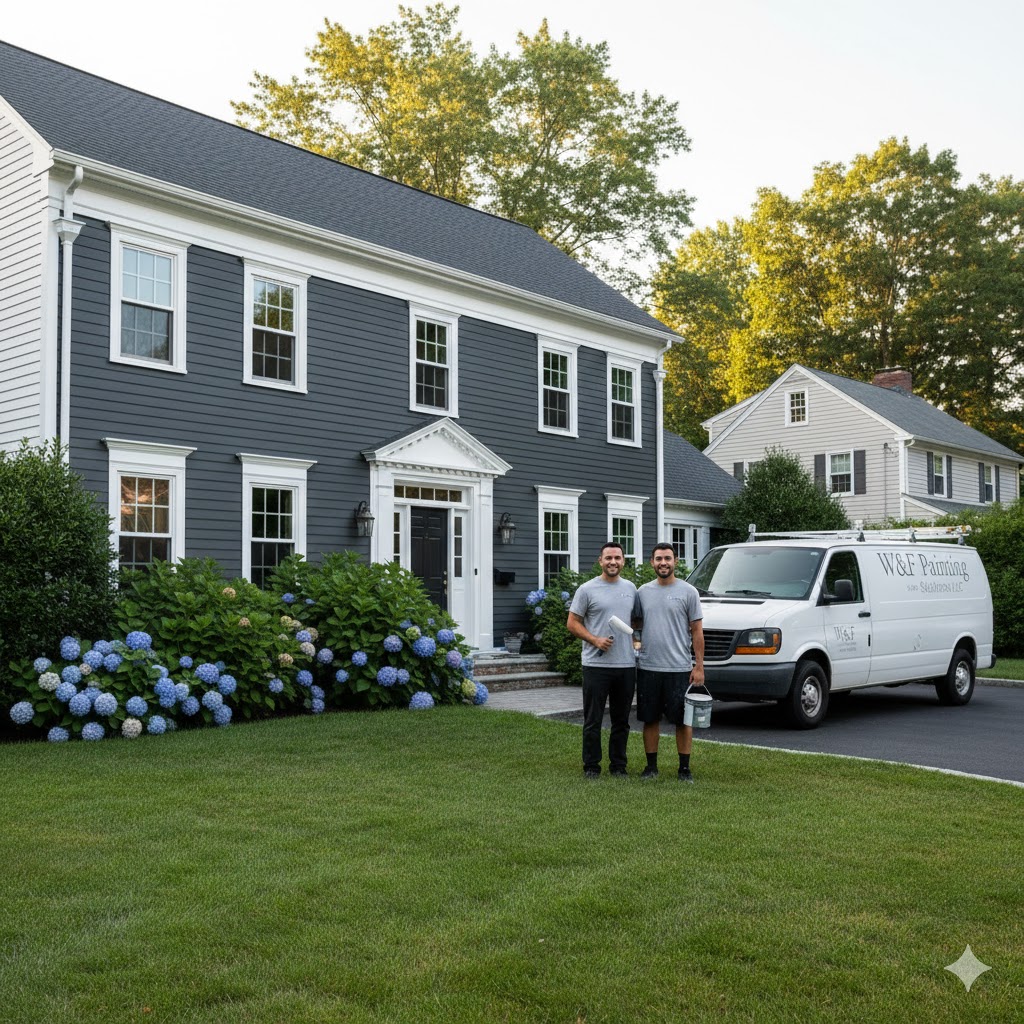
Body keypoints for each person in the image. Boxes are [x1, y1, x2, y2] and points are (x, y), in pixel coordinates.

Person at [567, 543, 640, 778]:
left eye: (617, 558)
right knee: (593, 719)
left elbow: (636, 623)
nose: (613, 562)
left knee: (621, 720)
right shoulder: (587, 589)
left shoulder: (631, 589)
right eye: (608, 557)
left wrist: (636, 641)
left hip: (625, 665)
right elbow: (572, 623)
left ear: (623, 561)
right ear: (600, 561)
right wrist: (595, 640)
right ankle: (591, 766)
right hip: (595, 666)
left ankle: (618, 766)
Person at [635, 543, 705, 783]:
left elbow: (697, 631)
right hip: (648, 667)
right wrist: (634, 641)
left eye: (667, 558)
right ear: (651, 563)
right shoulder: (642, 592)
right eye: (658, 559)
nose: (663, 563)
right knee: (650, 719)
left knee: (682, 721)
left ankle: (684, 769)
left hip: (680, 668)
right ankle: (651, 767)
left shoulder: (689, 592)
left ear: (675, 561)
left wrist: (699, 666)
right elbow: (635, 625)